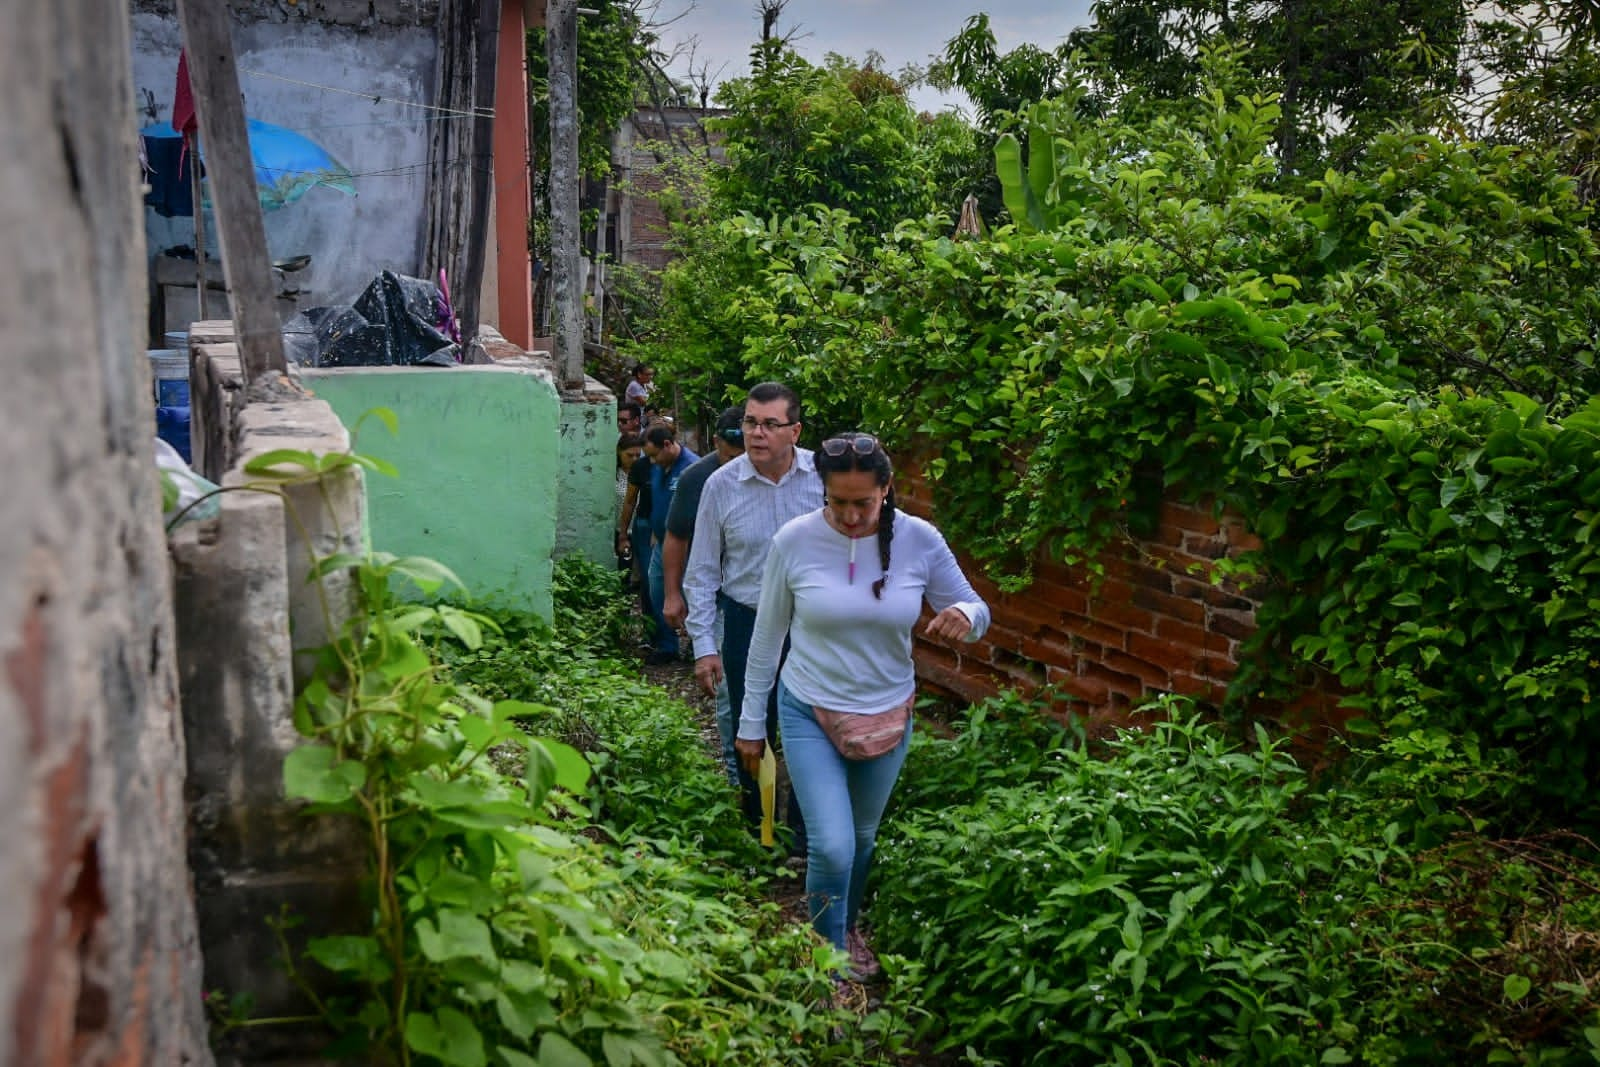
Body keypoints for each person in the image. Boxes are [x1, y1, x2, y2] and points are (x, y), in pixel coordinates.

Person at [736, 433, 990, 981]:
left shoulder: (920, 540)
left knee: (863, 837)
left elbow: (974, 604)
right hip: (809, 707)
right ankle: (824, 962)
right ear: (822, 492)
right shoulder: (794, 541)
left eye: (864, 503)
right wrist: (751, 721)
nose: (850, 517)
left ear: (887, 490)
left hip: (888, 712)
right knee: (830, 843)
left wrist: (967, 618)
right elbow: (766, 637)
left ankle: (847, 927)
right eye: (838, 502)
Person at [684, 382, 820, 850]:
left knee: (812, 729)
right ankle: (756, 831)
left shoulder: (822, 479)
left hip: (810, 628)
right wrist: (704, 647)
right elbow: (701, 571)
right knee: (751, 728)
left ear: (795, 431)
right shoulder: (722, 485)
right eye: (749, 422)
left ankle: (805, 837)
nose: (756, 433)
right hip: (747, 622)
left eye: (769, 424)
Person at [661, 407, 746, 781]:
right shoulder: (699, 477)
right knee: (729, 691)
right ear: (716, 444)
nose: (740, 465)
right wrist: (671, 594)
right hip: (720, 594)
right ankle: (735, 773)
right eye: (731, 456)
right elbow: (676, 537)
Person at [643, 423, 697, 664]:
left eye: (654, 455)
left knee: (693, 595)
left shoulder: (693, 469)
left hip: (689, 544)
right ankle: (668, 646)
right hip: (662, 541)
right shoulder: (660, 467)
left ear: (667, 445)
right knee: (658, 590)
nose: (653, 462)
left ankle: (700, 646)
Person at [615, 433, 645, 573]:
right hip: (618, 530)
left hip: (639, 529)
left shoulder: (643, 474)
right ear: (619, 452)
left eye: (637, 455)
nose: (634, 459)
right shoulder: (613, 474)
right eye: (629, 455)